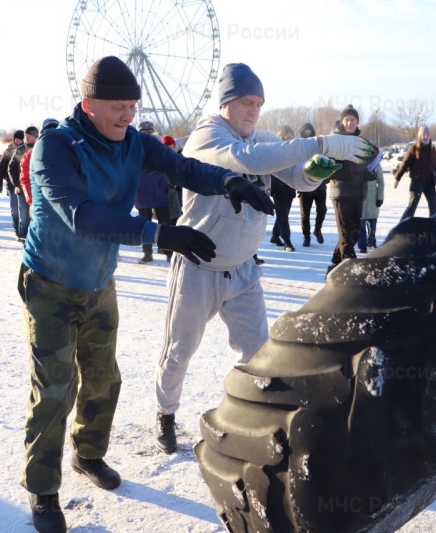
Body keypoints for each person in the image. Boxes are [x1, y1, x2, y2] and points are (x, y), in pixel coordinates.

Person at [17, 55, 275, 533]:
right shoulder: (57, 147)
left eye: (132, 106)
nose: (127, 117)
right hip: (50, 283)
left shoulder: (133, 142)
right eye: (117, 107)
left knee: (103, 379)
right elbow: (82, 215)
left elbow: (183, 168)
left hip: (97, 283)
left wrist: (229, 180)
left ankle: (88, 455)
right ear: (88, 103)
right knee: (55, 388)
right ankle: (43, 490)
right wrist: (159, 234)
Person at [153, 63, 370, 455]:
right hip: (198, 268)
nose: (254, 110)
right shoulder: (208, 135)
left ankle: (249, 420)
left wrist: (324, 165)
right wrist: (322, 142)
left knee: (259, 355)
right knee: (179, 351)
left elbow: (300, 180)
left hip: (242, 271)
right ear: (226, 103)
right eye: (247, 102)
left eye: (259, 103)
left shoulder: (262, 138)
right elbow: (248, 161)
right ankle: (166, 413)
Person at [324, 105, 379, 276]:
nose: (349, 123)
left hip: (357, 194)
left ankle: (334, 265)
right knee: (346, 236)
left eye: (353, 120)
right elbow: (330, 170)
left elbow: (367, 167)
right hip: (341, 194)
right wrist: (354, 171)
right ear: (342, 121)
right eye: (346, 119)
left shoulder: (362, 142)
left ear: (357, 122)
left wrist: (368, 174)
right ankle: (350, 273)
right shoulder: (334, 141)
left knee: (352, 235)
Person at [394, 125, 436, 223]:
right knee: (411, 207)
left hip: (430, 184)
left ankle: (434, 228)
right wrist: (397, 178)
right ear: (420, 136)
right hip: (417, 183)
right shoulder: (414, 149)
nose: (426, 136)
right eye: (424, 134)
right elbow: (404, 164)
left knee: (434, 209)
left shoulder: (432, 150)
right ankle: (401, 227)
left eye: (428, 134)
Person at [297, 122, 327, 247]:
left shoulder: (318, 145)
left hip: (319, 185)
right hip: (303, 186)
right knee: (305, 214)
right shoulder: (298, 146)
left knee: (322, 210)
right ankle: (306, 236)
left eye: (309, 131)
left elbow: (326, 161)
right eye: (305, 131)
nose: (307, 133)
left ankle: (317, 229)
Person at [269, 125, 298, 252]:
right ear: (281, 137)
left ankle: (275, 236)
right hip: (278, 185)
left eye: (291, 134)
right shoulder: (276, 149)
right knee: (282, 214)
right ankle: (287, 240)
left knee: (284, 213)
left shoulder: (295, 150)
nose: (290, 136)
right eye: (287, 134)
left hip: (290, 186)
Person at [7, 126, 37, 241]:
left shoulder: (40, 147)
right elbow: (11, 167)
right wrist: (16, 183)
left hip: (36, 190)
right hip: (21, 189)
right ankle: (22, 236)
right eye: (25, 136)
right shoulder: (20, 149)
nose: (26, 138)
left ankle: (34, 238)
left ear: (35, 136)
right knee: (23, 216)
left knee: (35, 216)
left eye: (28, 136)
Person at [20, 118, 59, 204]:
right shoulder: (31, 154)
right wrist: (32, 200)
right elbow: (25, 179)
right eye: (48, 131)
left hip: (66, 203)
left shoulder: (69, 150)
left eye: (56, 130)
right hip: (42, 203)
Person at [0, 130, 24, 228]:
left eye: (20, 139)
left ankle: (23, 231)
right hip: (12, 184)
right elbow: (2, 167)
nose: (18, 141)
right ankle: (17, 229)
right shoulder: (9, 151)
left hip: (24, 185)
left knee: (24, 211)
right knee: (15, 210)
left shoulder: (27, 149)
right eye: (16, 139)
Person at [358, 161, 385, 253]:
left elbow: (381, 182)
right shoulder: (358, 162)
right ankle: (362, 245)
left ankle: (371, 242)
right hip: (360, 196)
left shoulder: (376, 164)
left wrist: (380, 197)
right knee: (360, 222)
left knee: (372, 222)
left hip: (373, 197)